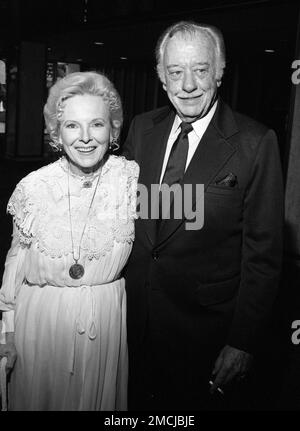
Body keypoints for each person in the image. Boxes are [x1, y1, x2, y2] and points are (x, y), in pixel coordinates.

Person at [122, 21, 284, 410]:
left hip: (204, 336)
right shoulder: (142, 129)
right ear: (162, 78)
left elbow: (263, 256)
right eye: (175, 72)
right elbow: (121, 216)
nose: (188, 84)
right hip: (130, 325)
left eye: (200, 69)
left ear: (220, 70)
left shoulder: (255, 142)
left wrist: (242, 342)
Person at [0, 71, 139, 410]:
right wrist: (7, 330)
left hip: (105, 323)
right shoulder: (33, 187)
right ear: (56, 134)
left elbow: (189, 214)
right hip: (42, 325)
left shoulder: (131, 180)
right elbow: (15, 262)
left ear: (113, 130)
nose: (86, 138)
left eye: (97, 124)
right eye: (73, 126)